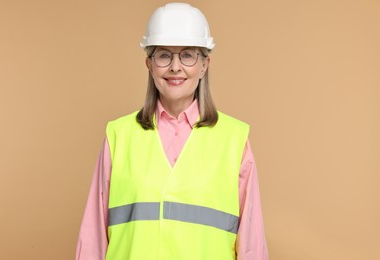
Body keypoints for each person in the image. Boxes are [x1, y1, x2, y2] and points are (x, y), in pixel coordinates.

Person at [76, 3, 268, 260]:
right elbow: (93, 242)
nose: (175, 67)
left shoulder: (234, 140)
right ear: (149, 64)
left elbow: (251, 246)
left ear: (204, 65)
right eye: (164, 55)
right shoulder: (119, 136)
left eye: (187, 55)